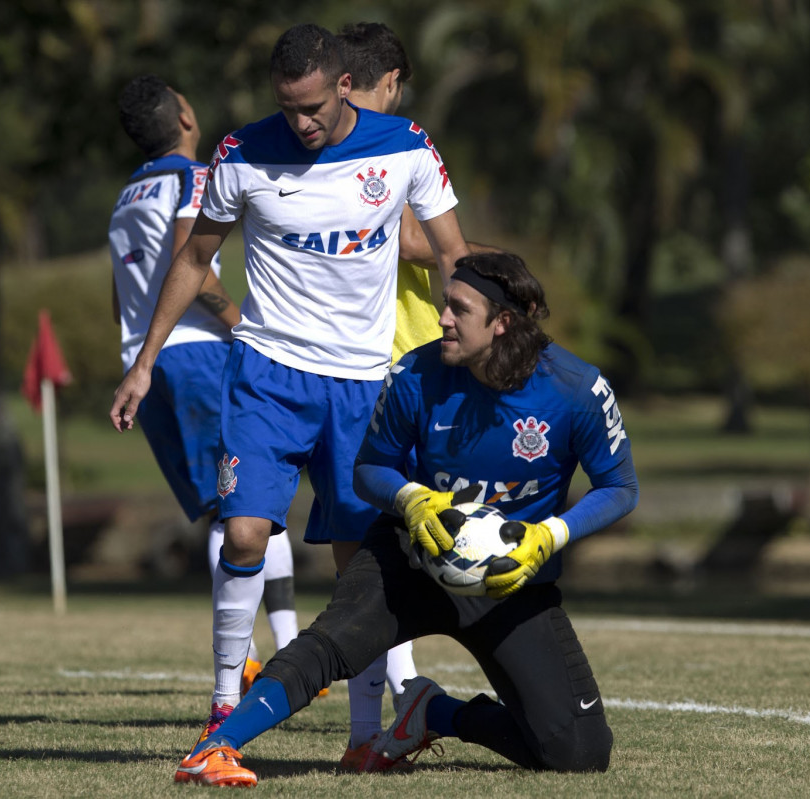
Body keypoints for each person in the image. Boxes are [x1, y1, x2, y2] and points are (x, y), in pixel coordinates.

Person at [108, 24, 470, 758]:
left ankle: (367, 736)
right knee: (242, 530)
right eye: (286, 107)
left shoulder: (406, 146)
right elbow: (194, 257)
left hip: (364, 384)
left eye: (311, 108)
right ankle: (221, 707)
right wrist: (143, 362)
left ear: (344, 86)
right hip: (266, 375)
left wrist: (458, 356)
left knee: (355, 561)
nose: (300, 124)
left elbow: (451, 255)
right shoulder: (241, 153)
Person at [174, 251, 639, 787]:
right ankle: (216, 746)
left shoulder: (576, 388)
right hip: (410, 558)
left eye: (458, 309)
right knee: (331, 644)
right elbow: (370, 469)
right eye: (445, 305)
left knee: (581, 752)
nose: (442, 318)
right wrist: (412, 500)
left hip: (512, 579)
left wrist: (549, 536)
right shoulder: (416, 373)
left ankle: (434, 712)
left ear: (502, 322)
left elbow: (620, 488)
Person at [108, 75, 303, 702]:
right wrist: (244, 326)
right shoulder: (191, 177)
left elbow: (121, 288)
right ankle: (268, 651)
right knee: (246, 499)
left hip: (149, 355)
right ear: (186, 116)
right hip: (199, 355)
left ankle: (257, 653)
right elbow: (186, 260)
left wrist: (140, 354)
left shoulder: (126, 194)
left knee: (223, 507)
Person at [337, 21, 504, 717]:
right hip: (388, 358)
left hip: (350, 361)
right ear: (393, 82)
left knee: (371, 530)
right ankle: (390, 687)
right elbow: (417, 238)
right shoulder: (398, 142)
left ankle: (390, 685)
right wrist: (496, 269)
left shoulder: (308, 147)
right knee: (385, 529)